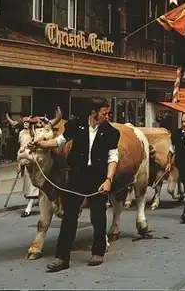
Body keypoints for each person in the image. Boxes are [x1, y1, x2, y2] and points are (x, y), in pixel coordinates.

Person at [30, 97, 119, 272]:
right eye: (105, 113)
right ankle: (61, 258)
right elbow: (60, 141)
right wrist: (41, 144)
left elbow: (113, 158)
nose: (108, 116)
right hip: (77, 177)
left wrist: (108, 180)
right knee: (69, 217)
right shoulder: (76, 125)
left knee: (98, 216)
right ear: (93, 113)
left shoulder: (111, 132)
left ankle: (98, 252)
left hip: (98, 178)